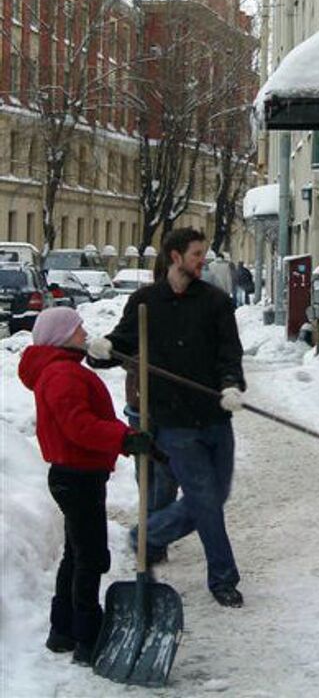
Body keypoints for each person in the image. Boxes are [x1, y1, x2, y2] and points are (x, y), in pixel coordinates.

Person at [88, 227, 247, 608]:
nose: (202, 260)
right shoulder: (146, 303)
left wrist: (230, 385)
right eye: (196, 254)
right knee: (205, 498)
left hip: (214, 417)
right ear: (175, 256)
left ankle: (147, 534)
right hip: (174, 423)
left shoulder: (216, 303)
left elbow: (230, 352)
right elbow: (121, 343)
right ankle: (223, 578)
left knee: (216, 494)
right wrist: (102, 350)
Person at [18, 307, 157, 665]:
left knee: (77, 554)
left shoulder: (62, 369)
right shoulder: (62, 374)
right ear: (63, 336)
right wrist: (123, 438)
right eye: (77, 329)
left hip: (75, 474)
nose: (84, 333)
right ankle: (87, 637)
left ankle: (62, 630)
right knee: (90, 557)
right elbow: (78, 426)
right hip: (76, 476)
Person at [122, 249, 178, 564]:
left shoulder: (191, 304)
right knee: (146, 470)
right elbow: (123, 343)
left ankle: (154, 534)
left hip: (175, 404)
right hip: (140, 399)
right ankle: (150, 530)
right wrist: (133, 359)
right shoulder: (141, 301)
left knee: (168, 472)